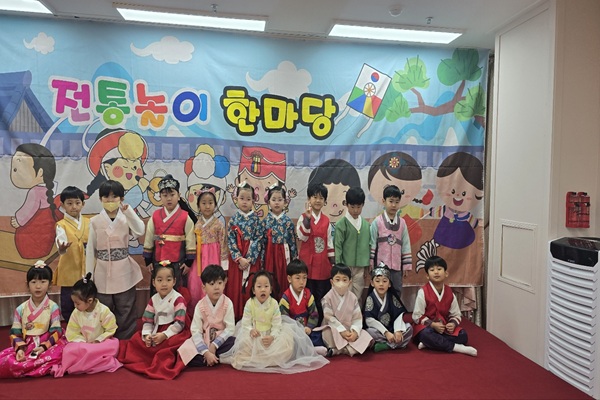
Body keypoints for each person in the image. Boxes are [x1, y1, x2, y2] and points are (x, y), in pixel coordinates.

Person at [220, 271, 328, 373]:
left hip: (271, 334)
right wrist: (251, 330)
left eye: (266, 286)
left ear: (271, 289)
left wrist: (272, 337)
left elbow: (277, 325)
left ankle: (260, 359)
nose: (263, 290)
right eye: (259, 286)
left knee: (287, 347)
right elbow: (246, 322)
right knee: (244, 346)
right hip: (255, 335)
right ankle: (265, 359)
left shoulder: (274, 303)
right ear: (253, 290)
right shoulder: (250, 303)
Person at [85, 179, 145, 340]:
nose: (110, 200)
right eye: (106, 197)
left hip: (124, 269)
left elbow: (140, 230)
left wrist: (129, 212)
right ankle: (106, 339)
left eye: (114, 196)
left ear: (121, 198)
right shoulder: (95, 221)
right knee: (104, 308)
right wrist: (89, 275)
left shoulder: (126, 218)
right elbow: (90, 250)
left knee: (126, 307)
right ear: (100, 199)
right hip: (102, 270)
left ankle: (126, 339)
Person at [118, 263, 190, 379]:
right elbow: (148, 321)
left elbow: (179, 323)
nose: (164, 284)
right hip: (156, 329)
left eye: (168, 280)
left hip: (173, 331)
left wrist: (165, 335)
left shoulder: (178, 299)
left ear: (174, 281)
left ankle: (160, 361)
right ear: (153, 282)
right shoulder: (153, 299)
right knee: (136, 339)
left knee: (170, 346)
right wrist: (147, 334)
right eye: (160, 280)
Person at [0, 261, 65, 378]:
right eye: (33, 282)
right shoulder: (21, 309)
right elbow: (15, 333)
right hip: (26, 345)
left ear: (50, 284)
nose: (38, 286)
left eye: (43, 282)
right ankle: (33, 366)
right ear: (27, 284)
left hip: (47, 344)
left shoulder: (53, 307)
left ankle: (29, 367)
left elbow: (56, 332)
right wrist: (19, 349)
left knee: (60, 354)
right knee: (6, 360)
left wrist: (44, 347)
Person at [54, 273, 121, 377]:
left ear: (89, 300)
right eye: (74, 303)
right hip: (82, 344)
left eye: (77, 303)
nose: (75, 306)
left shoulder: (104, 311)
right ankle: (91, 360)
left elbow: (111, 329)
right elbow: (72, 331)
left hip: (99, 344)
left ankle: (87, 360)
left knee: (113, 345)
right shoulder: (76, 313)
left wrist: (98, 340)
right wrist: (83, 342)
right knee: (68, 350)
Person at [412, 256, 477, 357]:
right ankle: (456, 347)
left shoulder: (449, 292)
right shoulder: (423, 292)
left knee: (463, 335)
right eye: (432, 270)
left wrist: (452, 324)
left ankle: (431, 343)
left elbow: (456, 314)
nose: (436, 272)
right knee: (425, 334)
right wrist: (433, 325)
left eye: (439, 269)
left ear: (446, 273)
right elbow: (416, 316)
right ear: (427, 276)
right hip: (427, 327)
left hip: (443, 327)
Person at [143, 174, 196, 294]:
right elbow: (149, 237)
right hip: (158, 261)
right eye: (165, 195)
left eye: (172, 195)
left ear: (179, 196)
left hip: (178, 263)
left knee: (177, 292)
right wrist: (148, 260)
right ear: (160, 197)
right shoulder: (155, 216)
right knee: (158, 291)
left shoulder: (185, 217)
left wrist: (189, 262)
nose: (169, 199)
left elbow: (190, 240)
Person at [10, 143, 62, 259]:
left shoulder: (35, 191)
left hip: (30, 243)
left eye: (16, 169)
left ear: (40, 172)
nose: (14, 173)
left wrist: (18, 220)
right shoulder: (49, 190)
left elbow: (27, 211)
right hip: (45, 242)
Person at [179, 264, 236, 368]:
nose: (217, 287)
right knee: (185, 350)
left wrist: (214, 345)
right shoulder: (200, 305)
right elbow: (196, 331)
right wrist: (205, 351)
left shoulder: (228, 303)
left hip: (221, 341)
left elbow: (230, 329)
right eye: (212, 284)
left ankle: (211, 358)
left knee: (234, 342)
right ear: (204, 288)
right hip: (205, 339)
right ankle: (211, 358)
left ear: (224, 284)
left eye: (220, 283)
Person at [225, 182, 264, 320]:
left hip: (251, 259)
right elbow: (231, 240)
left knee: (251, 285)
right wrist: (239, 258)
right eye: (242, 198)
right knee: (235, 287)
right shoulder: (233, 220)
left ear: (253, 201)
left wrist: (249, 259)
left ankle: (251, 316)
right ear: (236, 199)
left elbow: (259, 239)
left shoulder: (257, 220)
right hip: (237, 260)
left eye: (248, 199)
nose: (245, 202)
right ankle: (236, 316)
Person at [297, 182, 334, 323]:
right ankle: (307, 322)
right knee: (307, 294)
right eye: (314, 197)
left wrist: (333, 264)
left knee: (321, 296)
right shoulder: (303, 217)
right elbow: (302, 236)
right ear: (309, 199)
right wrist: (307, 219)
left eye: (321, 198)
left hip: (322, 265)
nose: (318, 200)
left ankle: (320, 323)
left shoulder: (327, 220)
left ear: (325, 201)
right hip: (307, 263)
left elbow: (329, 244)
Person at [315, 264, 372, 357]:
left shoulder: (353, 297)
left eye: (344, 280)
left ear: (349, 282)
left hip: (349, 329)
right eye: (337, 280)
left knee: (366, 336)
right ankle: (349, 349)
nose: (341, 283)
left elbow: (357, 318)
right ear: (332, 282)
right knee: (328, 333)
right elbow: (329, 317)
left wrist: (355, 331)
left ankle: (338, 351)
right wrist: (341, 330)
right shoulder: (327, 298)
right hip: (335, 329)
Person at [188, 188, 229, 308]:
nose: (207, 206)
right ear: (198, 205)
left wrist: (224, 263)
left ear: (215, 205)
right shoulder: (196, 224)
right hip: (199, 258)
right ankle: (198, 310)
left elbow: (223, 243)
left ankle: (215, 309)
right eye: (204, 203)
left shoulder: (219, 224)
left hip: (213, 256)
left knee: (214, 280)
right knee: (195, 282)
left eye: (210, 203)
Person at [369, 185, 412, 298]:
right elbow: (372, 243)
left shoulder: (402, 223)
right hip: (381, 265)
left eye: (397, 202)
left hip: (397, 266)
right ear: (384, 201)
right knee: (380, 291)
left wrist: (406, 265)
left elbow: (406, 244)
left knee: (396, 290)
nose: (393, 205)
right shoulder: (377, 222)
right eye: (391, 201)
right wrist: (371, 263)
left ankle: (395, 310)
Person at [54, 186, 89, 321]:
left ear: (83, 204)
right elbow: (60, 241)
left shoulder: (89, 222)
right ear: (63, 205)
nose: (74, 207)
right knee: (68, 303)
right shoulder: (61, 225)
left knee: (87, 300)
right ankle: (71, 326)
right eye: (69, 203)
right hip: (69, 268)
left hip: (87, 268)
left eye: (77, 203)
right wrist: (62, 248)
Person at [279, 259, 327, 353]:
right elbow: (284, 319)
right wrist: (295, 330)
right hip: (293, 331)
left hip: (306, 330)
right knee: (287, 341)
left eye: (304, 278)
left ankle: (308, 348)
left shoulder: (308, 295)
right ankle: (309, 349)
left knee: (319, 335)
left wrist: (309, 327)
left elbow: (314, 314)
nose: (302, 282)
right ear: (289, 279)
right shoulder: (286, 297)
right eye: (298, 278)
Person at [364, 263, 413, 352]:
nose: (381, 284)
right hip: (380, 331)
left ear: (389, 284)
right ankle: (396, 344)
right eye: (377, 281)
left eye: (384, 281)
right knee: (369, 332)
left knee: (409, 328)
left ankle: (386, 345)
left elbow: (398, 315)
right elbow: (369, 320)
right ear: (372, 283)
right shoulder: (370, 298)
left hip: (392, 329)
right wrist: (385, 332)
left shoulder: (391, 297)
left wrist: (397, 330)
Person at [334, 187, 371, 302]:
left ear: (363, 205)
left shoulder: (366, 225)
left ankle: (356, 312)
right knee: (344, 291)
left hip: (360, 266)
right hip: (346, 265)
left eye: (359, 207)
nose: (355, 210)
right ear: (347, 204)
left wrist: (367, 264)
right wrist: (339, 265)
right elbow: (338, 246)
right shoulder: (341, 224)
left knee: (358, 291)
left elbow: (368, 245)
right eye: (352, 207)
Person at [263, 184, 298, 298]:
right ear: (268, 201)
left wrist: (294, 258)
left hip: (284, 253)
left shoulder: (288, 221)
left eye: (280, 200)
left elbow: (292, 241)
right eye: (273, 200)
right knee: (270, 277)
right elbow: (262, 243)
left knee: (283, 276)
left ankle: (284, 302)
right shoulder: (265, 221)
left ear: (285, 202)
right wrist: (262, 259)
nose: (277, 203)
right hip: (270, 253)